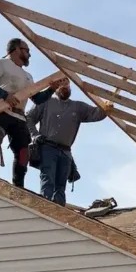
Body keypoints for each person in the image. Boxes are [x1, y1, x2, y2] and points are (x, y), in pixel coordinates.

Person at [0, 38, 57, 188]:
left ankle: (18, 185)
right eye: (27, 50)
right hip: (1, 109)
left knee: (23, 151)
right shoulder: (2, 64)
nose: (29, 55)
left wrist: (51, 89)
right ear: (16, 49)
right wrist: (4, 95)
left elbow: (37, 99)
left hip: (19, 116)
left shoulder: (28, 76)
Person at [26, 76, 113, 206]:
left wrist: (106, 108)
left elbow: (96, 114)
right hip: (48, 147)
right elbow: (29, 118)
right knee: (48, 179)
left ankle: (59, 211)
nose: (64, 86)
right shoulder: (46, 102)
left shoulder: (77, 107)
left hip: (65, 151)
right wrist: (35, 135)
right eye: (60, 83)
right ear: (55, 86)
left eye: (66, 83)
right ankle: (44, 207)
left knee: (61, 185)